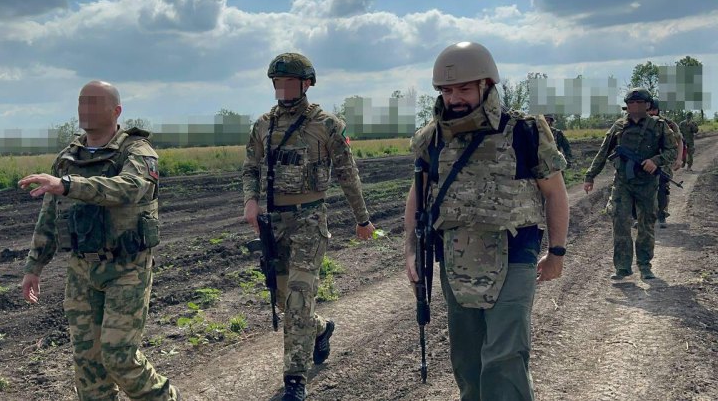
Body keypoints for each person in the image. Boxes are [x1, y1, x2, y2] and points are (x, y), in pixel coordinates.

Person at [404, 42, 569, 400]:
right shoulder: (431, 138)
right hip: (455, 257)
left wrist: (556, 251)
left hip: (515, 253)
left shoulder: (524, 131)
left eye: (464, 89)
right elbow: (417, 195)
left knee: (504, 357)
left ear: (487, 85)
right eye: (447, 91)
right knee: (467, 359)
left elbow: (555, 193)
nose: (454, 99)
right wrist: (411, 251)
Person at [19, 81, 180, 400]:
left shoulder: (136, 151)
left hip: (127, 268)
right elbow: (49, 216)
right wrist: (33, 267)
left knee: (119, 357)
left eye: (94, 102)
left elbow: (130, 188)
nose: (85, 109)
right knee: (88, 366)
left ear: (116, 111)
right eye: (82, 102)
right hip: (82, 270)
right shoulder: (68, 157)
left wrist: (69, 185)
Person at [242, 53, 375, 401]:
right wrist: (250, 200)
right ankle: (321, 328)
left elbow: (347, 174)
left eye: (289, 82)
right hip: (275, 224)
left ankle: (295, 380)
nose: (283, 89)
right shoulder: (263, 126)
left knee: (299, 296)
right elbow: (250, 168)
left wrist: (362, 219)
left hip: (309, 221)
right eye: (278, 82)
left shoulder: (327, 125)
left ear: (306, 84)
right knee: (286, 301)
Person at [584, 88, 677, 280]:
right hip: (622, 182)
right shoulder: (619, 126)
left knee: (646, 224)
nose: (634, 106)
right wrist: (590, 175)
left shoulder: (659, 126)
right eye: (631, 103)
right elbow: (603, 152)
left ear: (647, 105)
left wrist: (656, 161)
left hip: (647, 183)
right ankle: (622, 267)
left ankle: (645, 265)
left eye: (639, 102)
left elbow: (672, 151)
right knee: (620, 222)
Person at [647, 99, 683, 228]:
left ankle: (661, 215)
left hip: (664, 161)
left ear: (658, 110)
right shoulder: (640, 122)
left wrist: (679, 159)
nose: (651, 112)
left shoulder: (668, 124)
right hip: (645, 162)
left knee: (662, 188)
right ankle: (642, 217)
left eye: (654, 110)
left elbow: (679, 141)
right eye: (649, 110)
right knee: (642, 189)